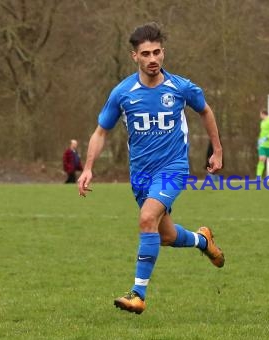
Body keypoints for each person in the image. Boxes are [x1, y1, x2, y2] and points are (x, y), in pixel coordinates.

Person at [77, 22, 225, 315]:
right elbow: (101, 132)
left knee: (147, 219)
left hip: (173, 168)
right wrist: (88, 167)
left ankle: (138, 294)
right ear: (135, 57)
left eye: (157, 52)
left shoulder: (180, 87)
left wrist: (217, 150)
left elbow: (205, 110)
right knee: (166, 236)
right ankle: (202, 240)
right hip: (141, 175)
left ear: (163, 52)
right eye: (145, 54)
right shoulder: (122, 93)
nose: (152, 58)